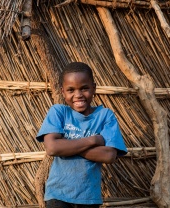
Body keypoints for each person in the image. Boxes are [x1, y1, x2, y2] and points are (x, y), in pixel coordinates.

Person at [36, 62, 127, 208]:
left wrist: (67, 145)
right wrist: (94, 140)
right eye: (71, 90)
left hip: (89, 197)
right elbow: (52, 148)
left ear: (94, 88)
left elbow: (109, 155)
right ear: (63, 92)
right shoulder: (59, 112)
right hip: (58, 195)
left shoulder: (105, 116)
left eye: (84, 88)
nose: (78, 95)